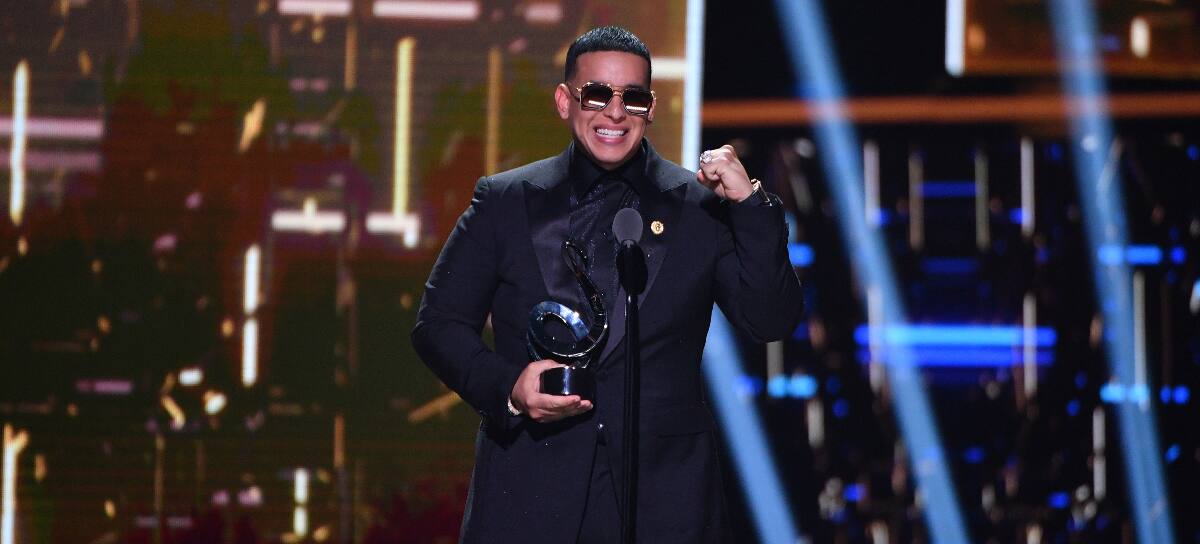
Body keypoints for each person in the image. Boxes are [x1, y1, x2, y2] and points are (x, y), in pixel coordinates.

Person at [412, 26, 803, 543]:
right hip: (529, 497)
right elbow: (438, 325)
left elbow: (769, 319)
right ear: (564, 101)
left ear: (650, 108)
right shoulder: (505, 201)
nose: (615, 113)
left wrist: (750, 205)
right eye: (597, 94)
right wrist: (509, 388)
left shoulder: (699, 206)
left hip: (666, 504)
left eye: (632, 97)